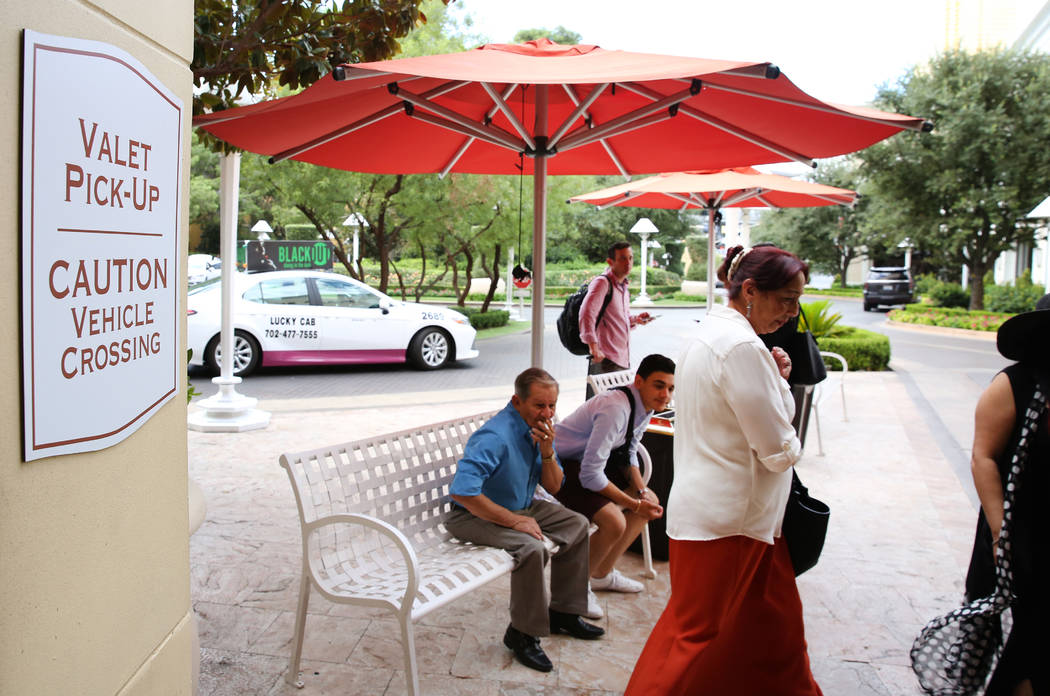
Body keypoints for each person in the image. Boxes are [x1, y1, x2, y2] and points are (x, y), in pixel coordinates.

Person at [625, 245, 823, 696]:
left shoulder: (712, 333)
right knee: (691, 640)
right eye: (786, 300)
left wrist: (777, 385)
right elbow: (777, 449)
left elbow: (759, 422)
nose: (792, 314)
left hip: (738, 518)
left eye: (797, 301)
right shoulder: (741, 347)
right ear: (750, 290)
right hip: (730, 521)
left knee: (777, 636)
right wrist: (782, 405)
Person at [445, 368, 604, 673]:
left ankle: (564, 612)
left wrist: (546, 452)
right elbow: (463, 492)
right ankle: (522, 633)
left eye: (552, 405)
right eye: (539, 405)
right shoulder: (495, 436)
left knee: (577, 524)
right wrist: (513, 521)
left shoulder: (539, 430)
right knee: (533, 548)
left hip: (520, 506)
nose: (547, 413)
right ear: (517, 401)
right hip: (472, 514)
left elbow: (555, 486)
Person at [965, 293, 1050, 696]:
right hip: (1022, 530)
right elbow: (983, 457)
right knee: (1033, 637)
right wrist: (1002, 536)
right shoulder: (1015, 383)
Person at [553, 354, 673, 615]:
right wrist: (632, 503)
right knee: (614, 521)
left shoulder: (645, 405)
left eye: (670, 388)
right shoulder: (616, 407)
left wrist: (641, 494)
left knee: (650, 500)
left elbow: (629, 451)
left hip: (588, 463)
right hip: (559, 467)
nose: (665, 394)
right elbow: (590, 475)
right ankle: (575, 588)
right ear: (639, 381)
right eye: (659, 385)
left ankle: (601, 575)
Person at [580, 241, 655, 398]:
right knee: (599, 409)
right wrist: (594, 348)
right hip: (605, 358)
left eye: (630, 258)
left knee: (616, 409)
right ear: (610, 261)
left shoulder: (623, 287)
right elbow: (587, 314)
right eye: (622, 258)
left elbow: (619, 318)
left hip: (621, 359)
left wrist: (636, 320)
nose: (628, 263)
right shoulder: (602, 283)